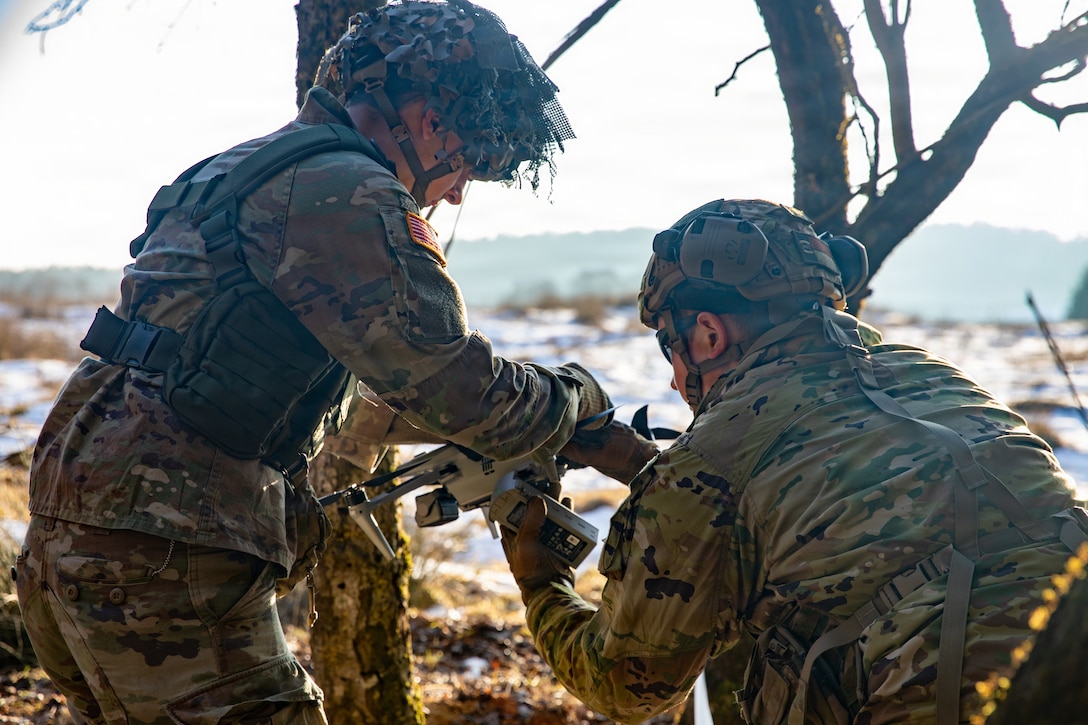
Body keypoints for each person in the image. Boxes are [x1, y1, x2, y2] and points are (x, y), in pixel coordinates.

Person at [14, 2, 652, 722]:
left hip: (75, 538)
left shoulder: (247, 167)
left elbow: (350, 398)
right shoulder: (350, 191)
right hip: (163, 561)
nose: (460, 188)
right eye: (464, 158)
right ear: (425, 119)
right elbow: (461, 394)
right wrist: (572, 397)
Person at [502, 198, 1088, 724]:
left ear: (708, 333)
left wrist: (540, 578)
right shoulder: (929, 372)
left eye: (668, 345)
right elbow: (829, 497)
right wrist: (645, 465)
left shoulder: (712, 460)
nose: (676, 378)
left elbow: (627, 685)